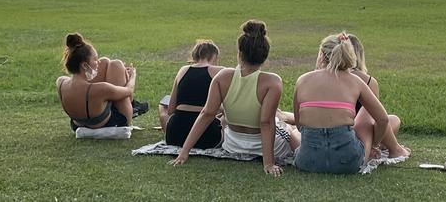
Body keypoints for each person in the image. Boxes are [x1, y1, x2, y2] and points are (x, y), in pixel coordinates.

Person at [170, 20, 299, 177]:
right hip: (264, 146)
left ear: (240, 54)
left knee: (281, 122)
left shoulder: (222, 76)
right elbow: (266, 123)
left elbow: (207, 114)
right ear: (265, 56)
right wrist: (269, 163)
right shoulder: (273, 81)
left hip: (233, 145)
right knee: (290, 129)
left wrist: (184, 151)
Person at [292, 33, 410, 174]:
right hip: (348, 162)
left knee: (294, 133)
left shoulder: (303, 80)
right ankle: (390, 149)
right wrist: (374, 143)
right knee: (366, 114)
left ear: (322, 56)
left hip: (307, 162)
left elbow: (299, 126)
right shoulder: (356, 81)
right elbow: (383, 119)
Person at [56, 33, 143, 131]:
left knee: (106, 61)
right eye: (95, 59)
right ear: (85, 66)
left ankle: (131, 104)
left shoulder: (61, 82)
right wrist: (132, 75)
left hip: (78, 125)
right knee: (117, 65)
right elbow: (129, 90)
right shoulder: (100, 89)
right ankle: (132, 109)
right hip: (109, 124)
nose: (98, 62)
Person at [348, 33, 404, 160]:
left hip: (340, 128)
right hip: (360, 131)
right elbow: (378, 118)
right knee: (389, 120)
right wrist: (375, 143)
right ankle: (391, 148)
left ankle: (382, 145)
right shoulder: (368, 81)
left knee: (393, 119)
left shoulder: (323, 77)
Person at [159, 40, 224, 148]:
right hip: (208, 137)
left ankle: (166, 131)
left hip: (175, 137)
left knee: (162, 106)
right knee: (226, 117)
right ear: (214, 56)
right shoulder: (220, 71)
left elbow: (171, 109)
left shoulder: (183, 70)